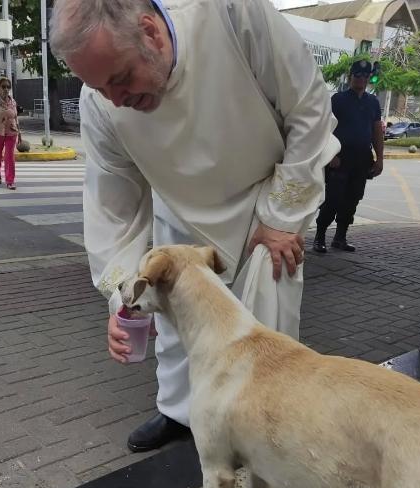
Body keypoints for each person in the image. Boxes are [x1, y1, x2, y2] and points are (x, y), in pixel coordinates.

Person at [50, 0, 339, 452]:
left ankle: (259, 428)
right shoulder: (100, 104)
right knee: (175, 332)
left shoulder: (230, 13)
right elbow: (114, 208)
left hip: (264, 209)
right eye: (100, 87)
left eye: (122, 79)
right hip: (180, 211)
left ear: (151, 32)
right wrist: (124, 298)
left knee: (266, 327)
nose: (117, 100)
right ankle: (178, 413)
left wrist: (282, 218)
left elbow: (308, 109)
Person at [313, 60, 384, 253]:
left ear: (369, 78)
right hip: (339, 160)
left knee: (352, 199)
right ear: (350, 76)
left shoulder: (373, 102)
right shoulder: (338, 99)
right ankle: (319, 237)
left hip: (361, 160)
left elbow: (377, 131)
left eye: (364, 76)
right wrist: (331, 155)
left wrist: (380, 159)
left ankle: (340, 238)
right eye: (356, 75)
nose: (360, 79)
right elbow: (324, 129)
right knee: (333, 199)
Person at [0, 76, 21, 190]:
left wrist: (19, 133)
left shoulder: (13, 101)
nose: (6, 89)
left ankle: (10, 181)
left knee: (9, 156)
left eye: (8, 87)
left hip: (11, 132)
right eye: (3, 87)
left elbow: (16, 118)